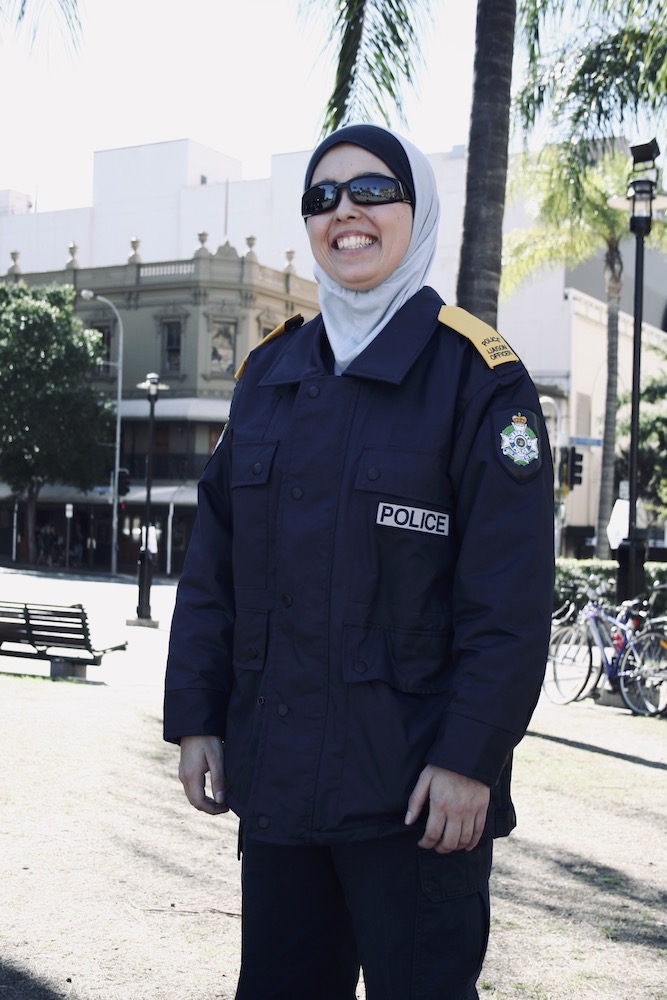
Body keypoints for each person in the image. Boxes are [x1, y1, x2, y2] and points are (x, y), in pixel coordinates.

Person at [164, 124, 555, 1000]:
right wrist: (195, 718)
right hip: (279, 787)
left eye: (373, 190)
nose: (345, 212)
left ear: (417, 211)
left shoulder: (478, 378)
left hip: (416, 801)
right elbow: (213, 568)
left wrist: (470, 760)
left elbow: (509, 601)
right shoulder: (268, 373)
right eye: (323, 196)